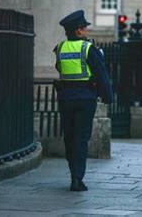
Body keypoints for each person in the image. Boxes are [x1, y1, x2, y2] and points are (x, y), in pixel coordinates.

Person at [53, 10, 113, 192]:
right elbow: (100, 74)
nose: (87, 30)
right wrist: (108, 96)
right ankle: (77, 178)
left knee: (70, 138)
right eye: (85, 27)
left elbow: (59, 67)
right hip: (85, 99)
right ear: (78, 31)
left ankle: (73, 174)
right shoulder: (88, 49)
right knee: (81, 138)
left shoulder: (60, 47)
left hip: (65, 98)